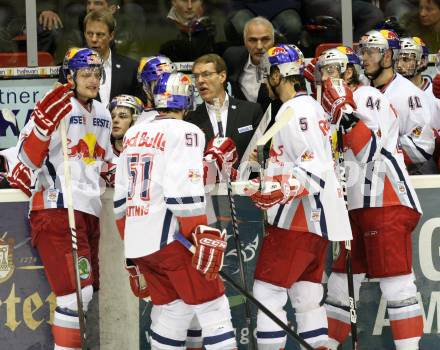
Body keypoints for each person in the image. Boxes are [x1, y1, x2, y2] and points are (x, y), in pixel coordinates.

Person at [113, 71, 237, 349]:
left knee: (174, 310)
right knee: (213, 308)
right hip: (174, 240)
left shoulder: (134, 132)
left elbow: (120, 199)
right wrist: (197, 237)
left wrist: (130, 246)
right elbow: (183, 191)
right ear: (186, 100)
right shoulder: (188, 131)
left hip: (141, 244)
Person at [315, 46, 425, 350]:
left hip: (384, 199)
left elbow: (369, 150)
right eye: (321, 71)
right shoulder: (329, 105)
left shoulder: (367, 97)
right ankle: (327, 344)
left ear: (347, 72)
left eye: (329, 70)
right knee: (340, 282)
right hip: (356, 206)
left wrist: (344, 111)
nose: (323, 78)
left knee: (396, 282)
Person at [244, 44, 352, 349]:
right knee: (307, 297)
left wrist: (281, 188)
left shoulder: (298, 110)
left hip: (298, 220)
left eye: (269, 74)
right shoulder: (309, 108)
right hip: (316, 222)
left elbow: (313, 167)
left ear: (279, 74)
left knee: (267, 294)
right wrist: (263, 170)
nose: (266, 81)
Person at [17, 47, 113, 349]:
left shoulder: (103, 113)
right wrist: (43, 126)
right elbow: (27, 159)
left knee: (85, 294)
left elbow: (106, 162)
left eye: (97, 72)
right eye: (85, 72)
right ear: (69, 76)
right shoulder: (54, 106)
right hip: (57, 207)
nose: (93, 79)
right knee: (75, 294)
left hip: (89, 210)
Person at [357, 29, 435, 173]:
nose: (364, 58)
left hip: (397, 177)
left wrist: (379, 156)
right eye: (363, 52)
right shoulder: (359, 86)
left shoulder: (410, 95)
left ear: (387, 56)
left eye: (370, 52)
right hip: (361, 173)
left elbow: (422, 146)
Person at [186, 53, 263, 165]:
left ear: (222, 76)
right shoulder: (190, 120)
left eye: (206, 74)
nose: (200, 80)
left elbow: (265, 151)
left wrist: (259, 158)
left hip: (246, 181)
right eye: (196, 76)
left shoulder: (251, 111)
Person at [59, 10, 144, 106]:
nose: (94, 39)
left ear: (111, 35)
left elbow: (139, 105)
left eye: (100, 35)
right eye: (90, 34)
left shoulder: (131, 68)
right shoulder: (70, 68)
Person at [223, 16, 281, 114]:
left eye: (265, 39)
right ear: (245, 41)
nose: (259, 46)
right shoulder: (232, 57)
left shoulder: (284, 62)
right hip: (242, 122)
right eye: (253, 40)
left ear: (274, 40)